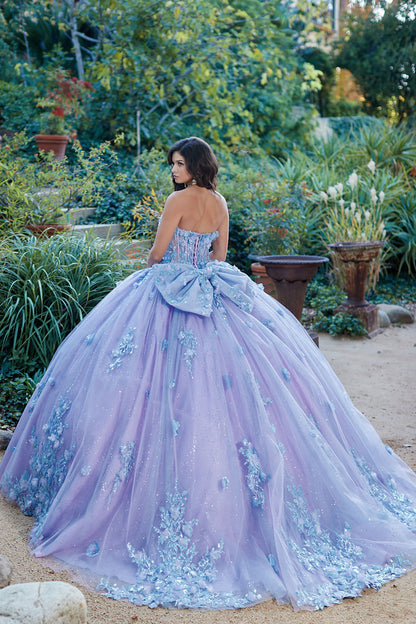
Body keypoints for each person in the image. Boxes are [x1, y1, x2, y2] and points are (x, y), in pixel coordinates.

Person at [1, 136, 416, 612]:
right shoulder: (218, 201)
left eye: (179, 163)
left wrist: (165, 265)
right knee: (237, 393)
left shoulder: (178, 199)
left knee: (147, 388)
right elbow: (219, 258)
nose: (174, 170)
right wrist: (197, 268)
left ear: (194, 166)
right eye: (172, 164)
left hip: (170, 290)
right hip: (214, 292)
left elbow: (157, 254)